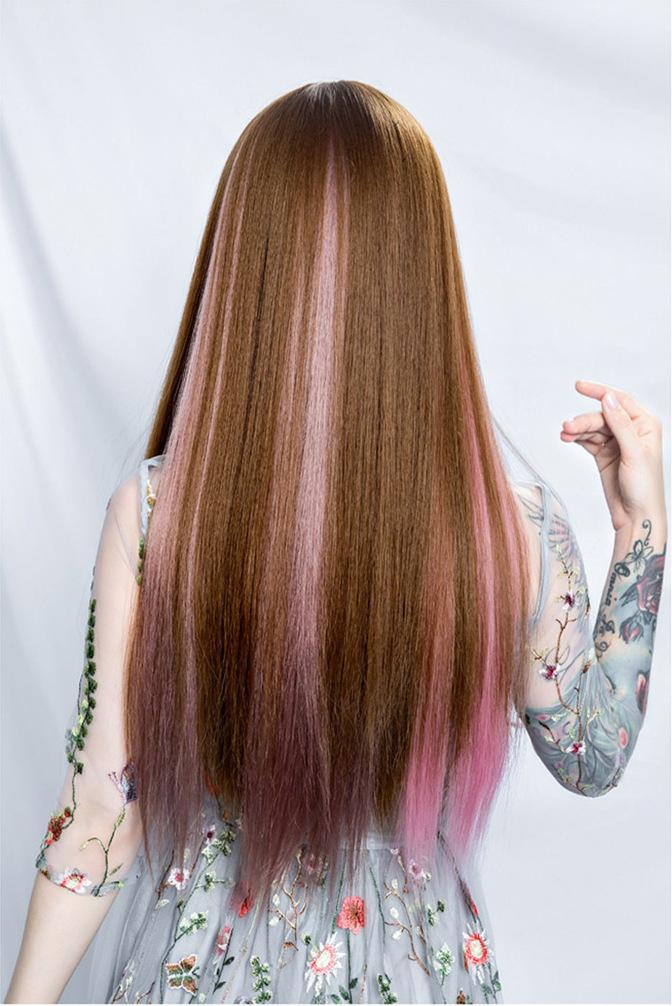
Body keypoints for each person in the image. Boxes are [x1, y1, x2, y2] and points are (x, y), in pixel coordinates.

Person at [5, 81, 667, 1005]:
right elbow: (592, 756)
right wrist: (640, 527)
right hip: (419, 972)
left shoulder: (160, 513)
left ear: (244, 268)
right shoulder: (510, 526)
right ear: (423, 275)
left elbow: (98, 823)